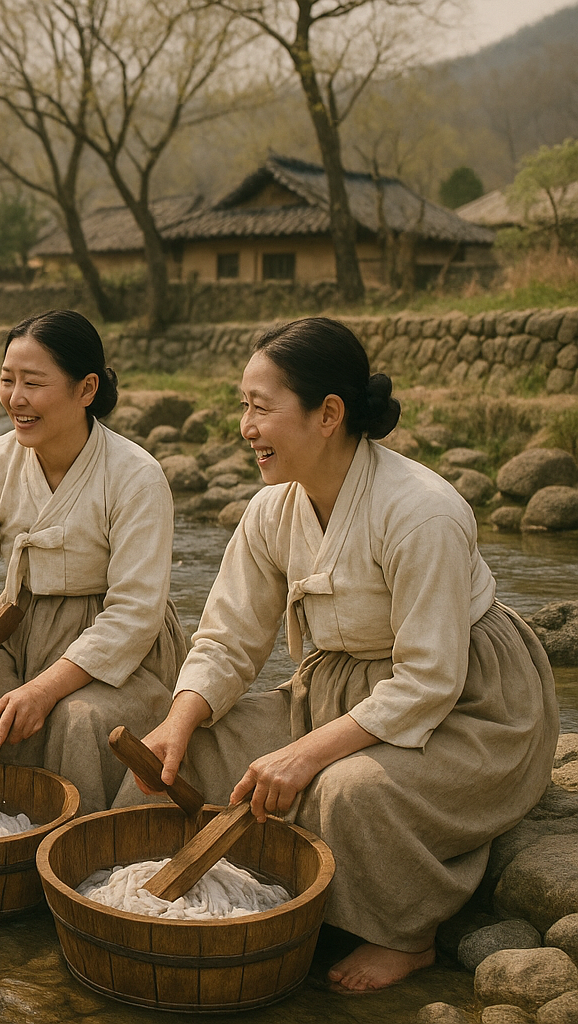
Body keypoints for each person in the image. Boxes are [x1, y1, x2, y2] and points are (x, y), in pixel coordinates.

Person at [125, 317, 558, 992]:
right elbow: (228, 638)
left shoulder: (422, 512)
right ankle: (179, 899)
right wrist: (177, 726)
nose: (246, 426)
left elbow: (428, 682)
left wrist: (305, 753)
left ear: (329, 414)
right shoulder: (272, 511)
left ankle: (405, 935)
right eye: (244, 405)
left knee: (347, 790)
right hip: (339, 691)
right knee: (196, 753)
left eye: (261, 408)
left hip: (469, 709)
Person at [0, 309, 187, 812]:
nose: (16, 398)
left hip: (116, 652)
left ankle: (70, 849)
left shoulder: (136, 475)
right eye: (8, 380)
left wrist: (45, 689)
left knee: (80, 718)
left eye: (33, 383)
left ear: (86, 389)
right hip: (15, 626)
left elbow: (134, 614)